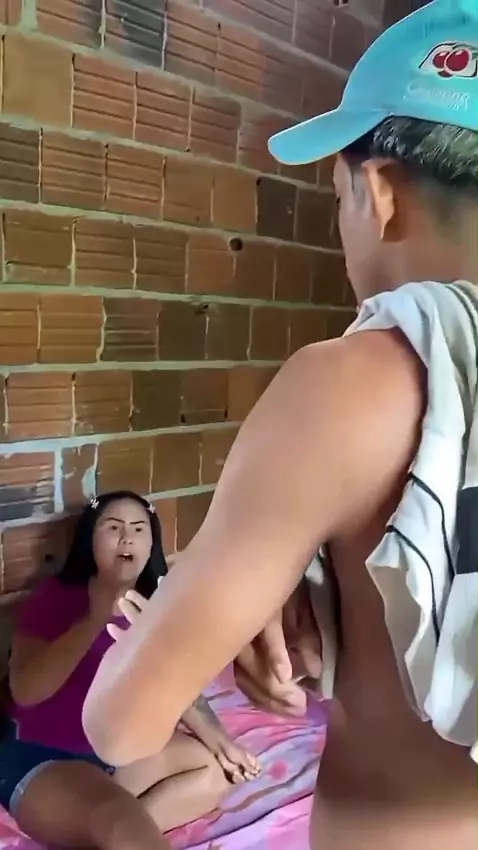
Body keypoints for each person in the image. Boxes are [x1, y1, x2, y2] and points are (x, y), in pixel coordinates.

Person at [83, 2, 478, 849]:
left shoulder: (354, 381)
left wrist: (195, 608)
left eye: (337, 197)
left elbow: (122, 722)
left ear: (378, 194)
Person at [1, 491, 259, 850]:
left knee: (219, 771)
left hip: (119, 754)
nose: (127, 537)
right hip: (46, 756)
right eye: (113, 527)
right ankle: (119, 827)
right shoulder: (54, 597)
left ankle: (120, 832)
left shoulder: (157, 604)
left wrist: (222, 742)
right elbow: (27, 691)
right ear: (89, 538)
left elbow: (175, 682)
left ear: (151, 545)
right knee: (120, 822)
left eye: (139, 529)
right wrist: (95, 617)